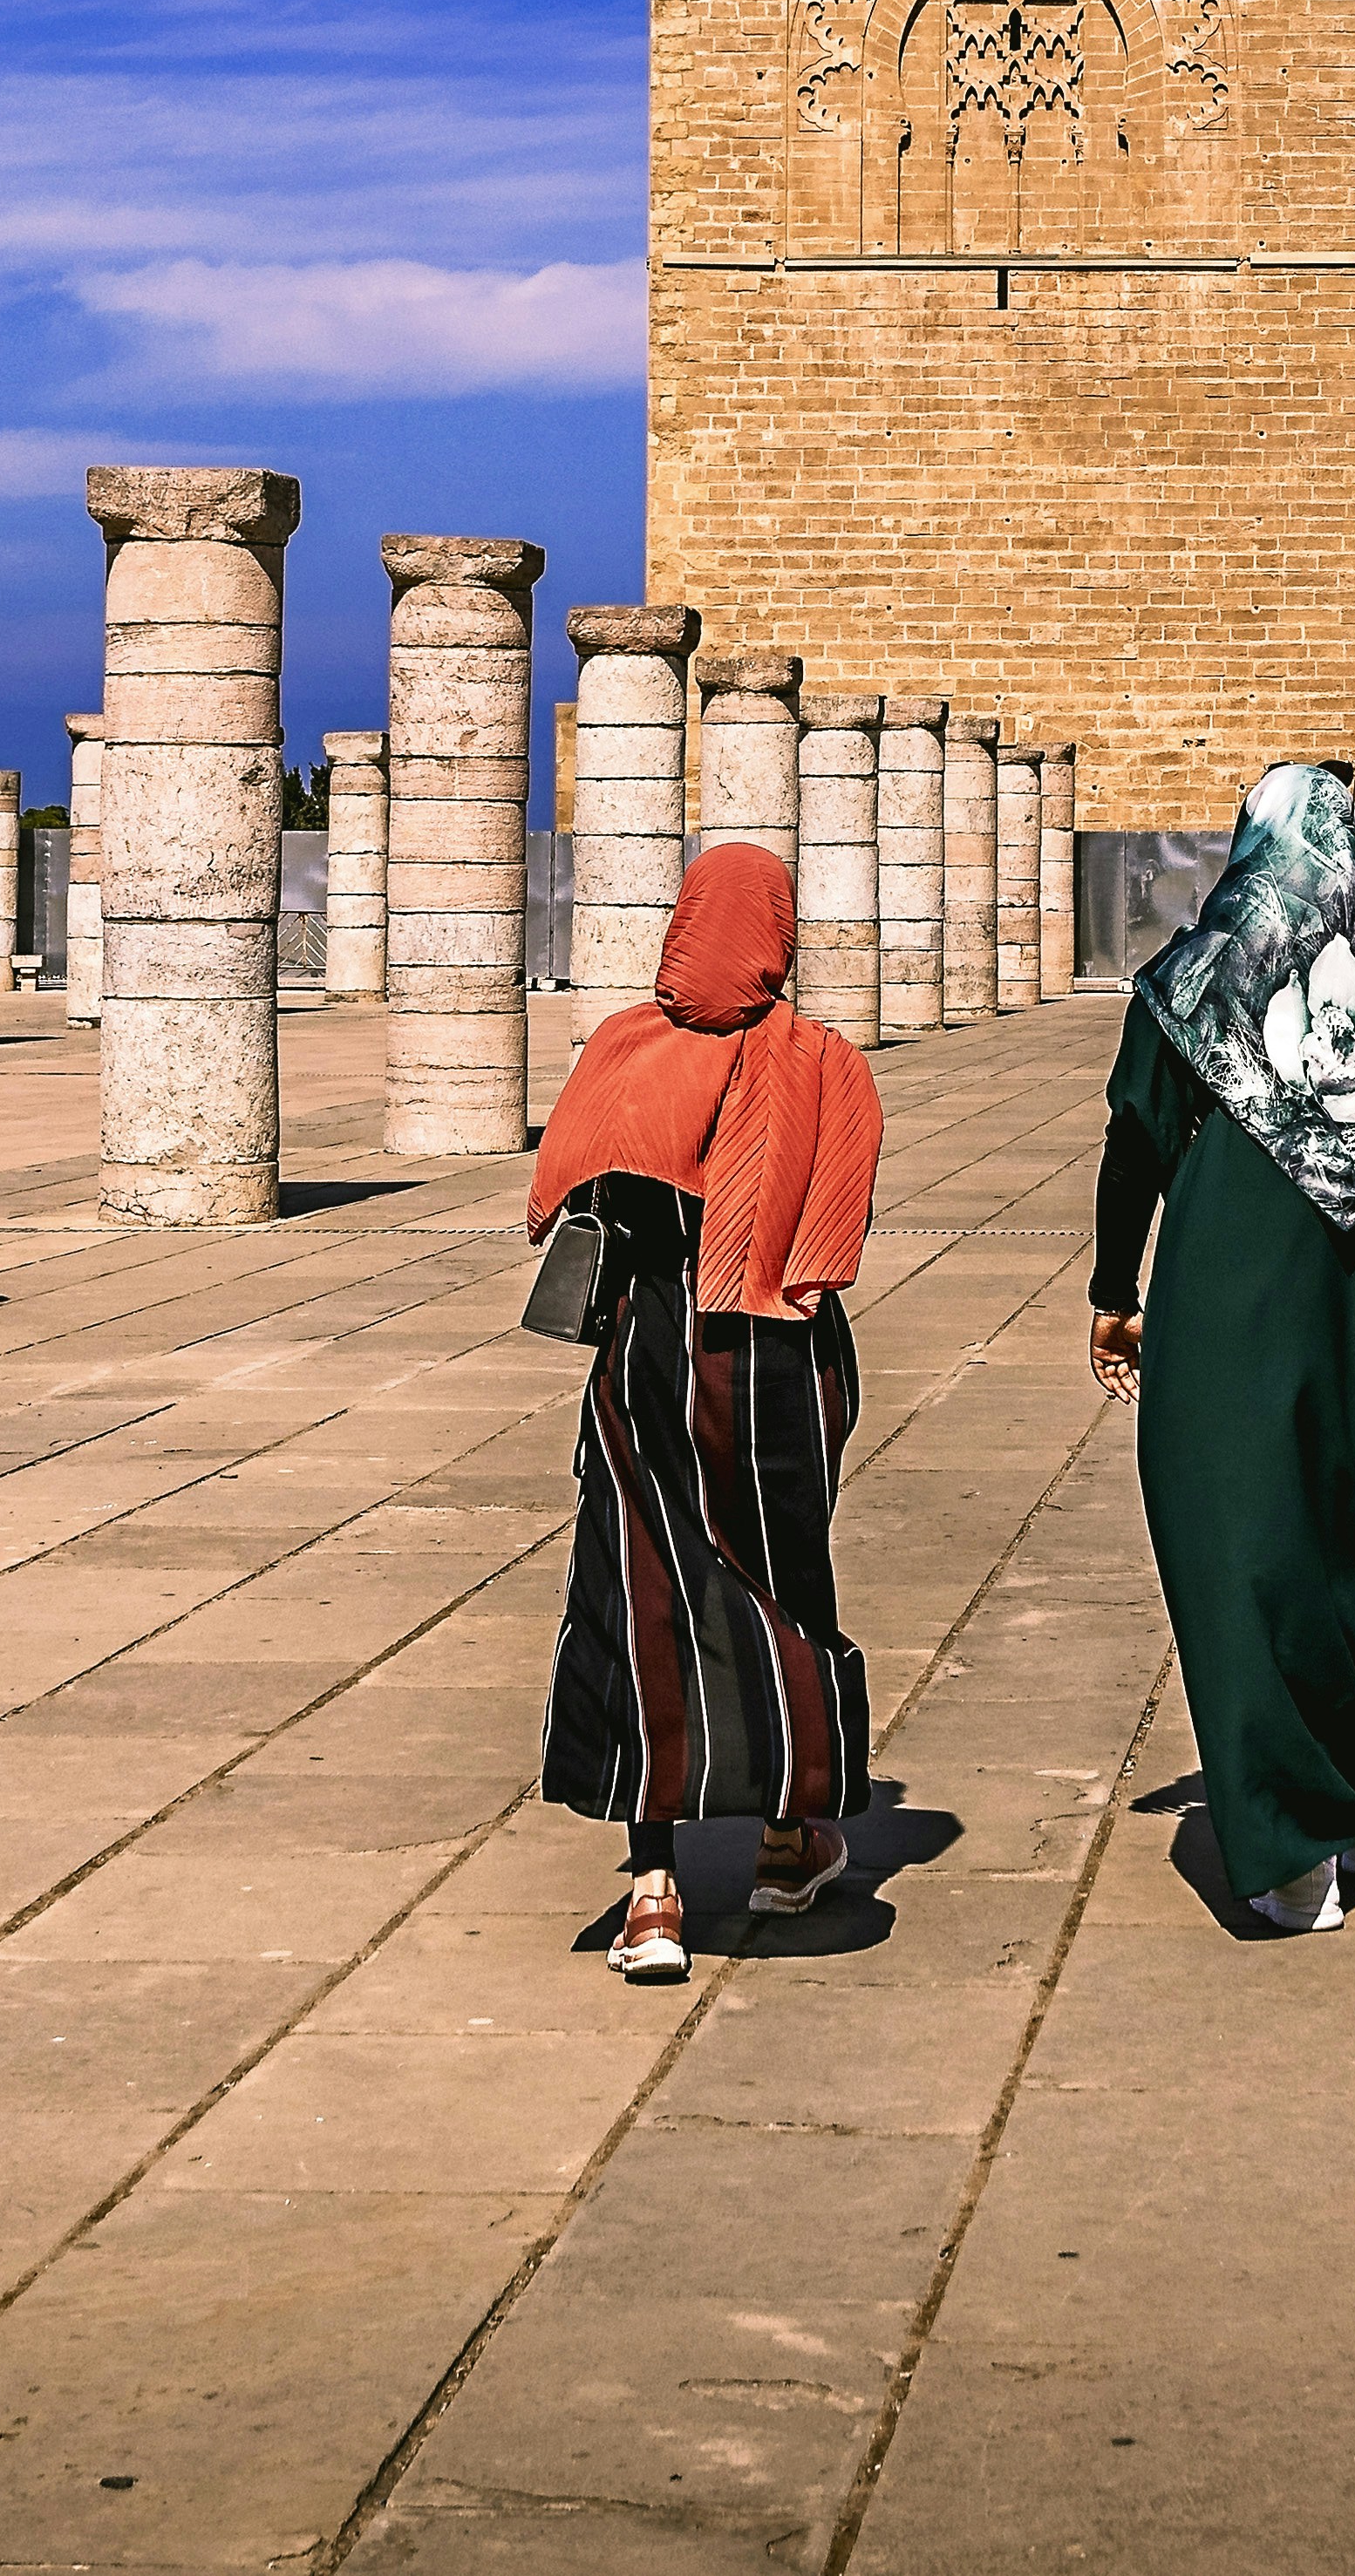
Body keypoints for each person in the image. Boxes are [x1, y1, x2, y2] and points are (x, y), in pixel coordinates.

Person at [1093, 758, 1355, 1933]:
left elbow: (1137, 1140)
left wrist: (1114, 1290)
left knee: (1247, 1535)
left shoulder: (1197, 977)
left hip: (1244, 1291)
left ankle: (1294, 1845)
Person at [528, 838, 882, 1984]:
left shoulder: (622, 1050)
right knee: (782, 1583)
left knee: (643, 1588)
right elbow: (831, 1240)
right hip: (771, 1366)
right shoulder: (824, 1063)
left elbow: (571, 1195)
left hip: (646, 1351)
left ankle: (652, 1893)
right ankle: (786, 1841)